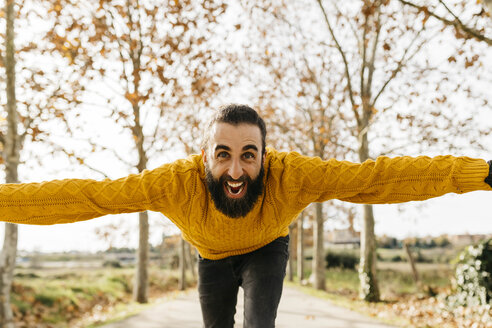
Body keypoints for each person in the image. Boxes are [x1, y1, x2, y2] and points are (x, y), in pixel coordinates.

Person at [1, 104, 491, 327]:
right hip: (211, 257)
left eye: (248, 155)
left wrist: (475, 173)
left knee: (259, 322)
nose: (235, 171)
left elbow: (374, 178)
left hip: (266, 249)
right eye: (223, 154)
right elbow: (91, 197)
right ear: (205, 155)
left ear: (265, 154)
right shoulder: (174, 183)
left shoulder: (293, 174)